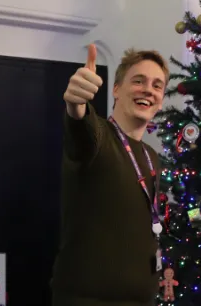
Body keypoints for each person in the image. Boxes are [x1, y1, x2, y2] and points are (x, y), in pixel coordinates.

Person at [51, 44, 168, 306]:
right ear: (116, 89)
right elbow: (81, 127)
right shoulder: (99, 138)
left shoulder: (151, 157)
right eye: (138, 81)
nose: (148, 89)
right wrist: (75, 103)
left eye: (157, 85)